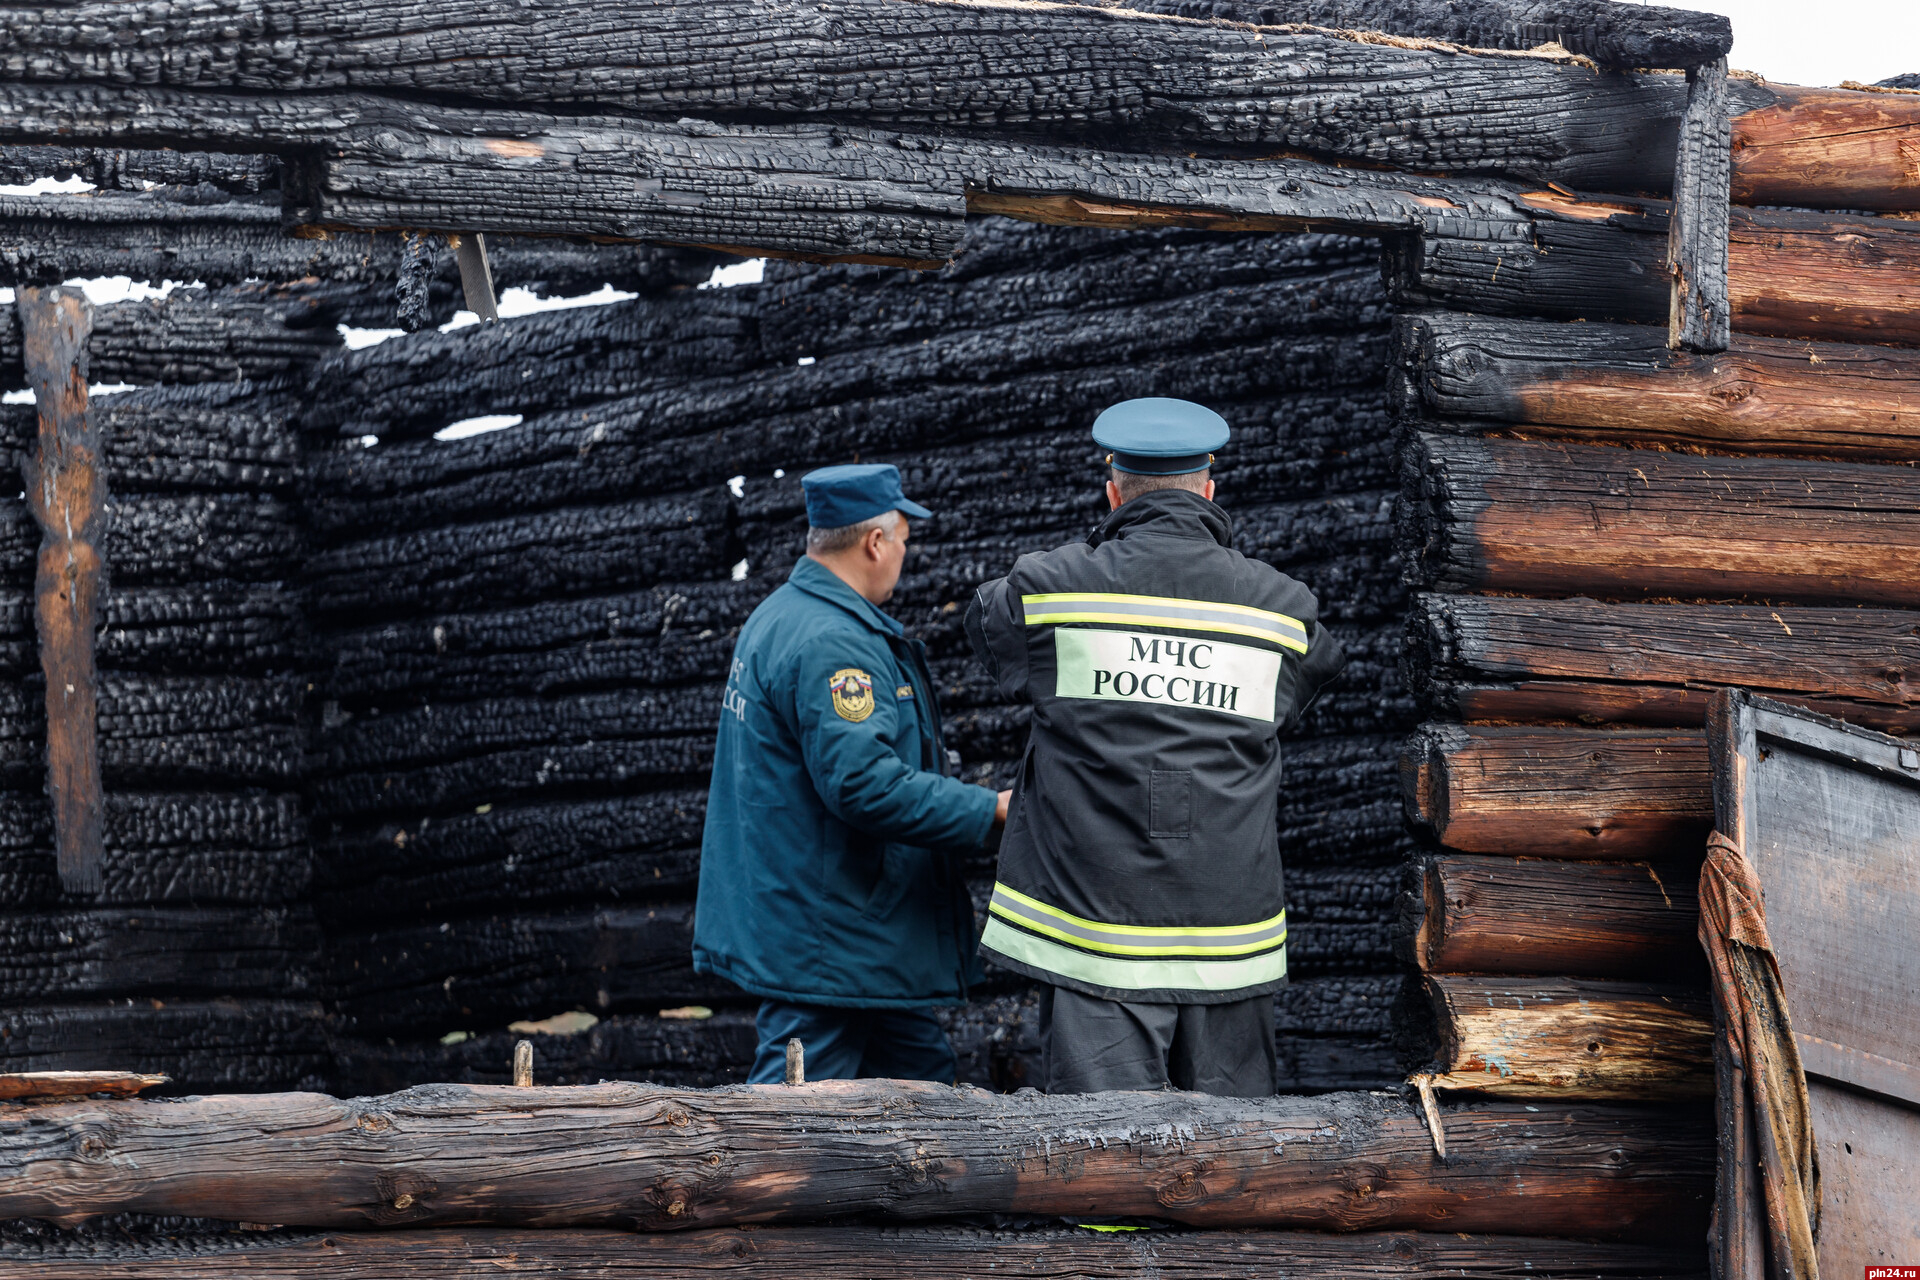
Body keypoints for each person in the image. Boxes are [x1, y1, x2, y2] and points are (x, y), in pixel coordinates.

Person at [964, 398, 1346, 1097]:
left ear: (1111, 491)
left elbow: (985, 620)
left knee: (1107, 1162)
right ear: (1210, 489)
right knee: (1235, 1154)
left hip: (1092, 934)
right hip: (1229, 937)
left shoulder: (1048, 591)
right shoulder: (1284, 611)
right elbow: (1310, 679)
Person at [694, 462, 1011, 1085]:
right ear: (875, 542)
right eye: (902, 541)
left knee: (925, 1106)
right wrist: (988, 810)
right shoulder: (832, 641)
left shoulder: (780, 615)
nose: (901, 555)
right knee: (789, 1132)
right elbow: (863, 785)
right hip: (831, 939)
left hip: (847, 938)